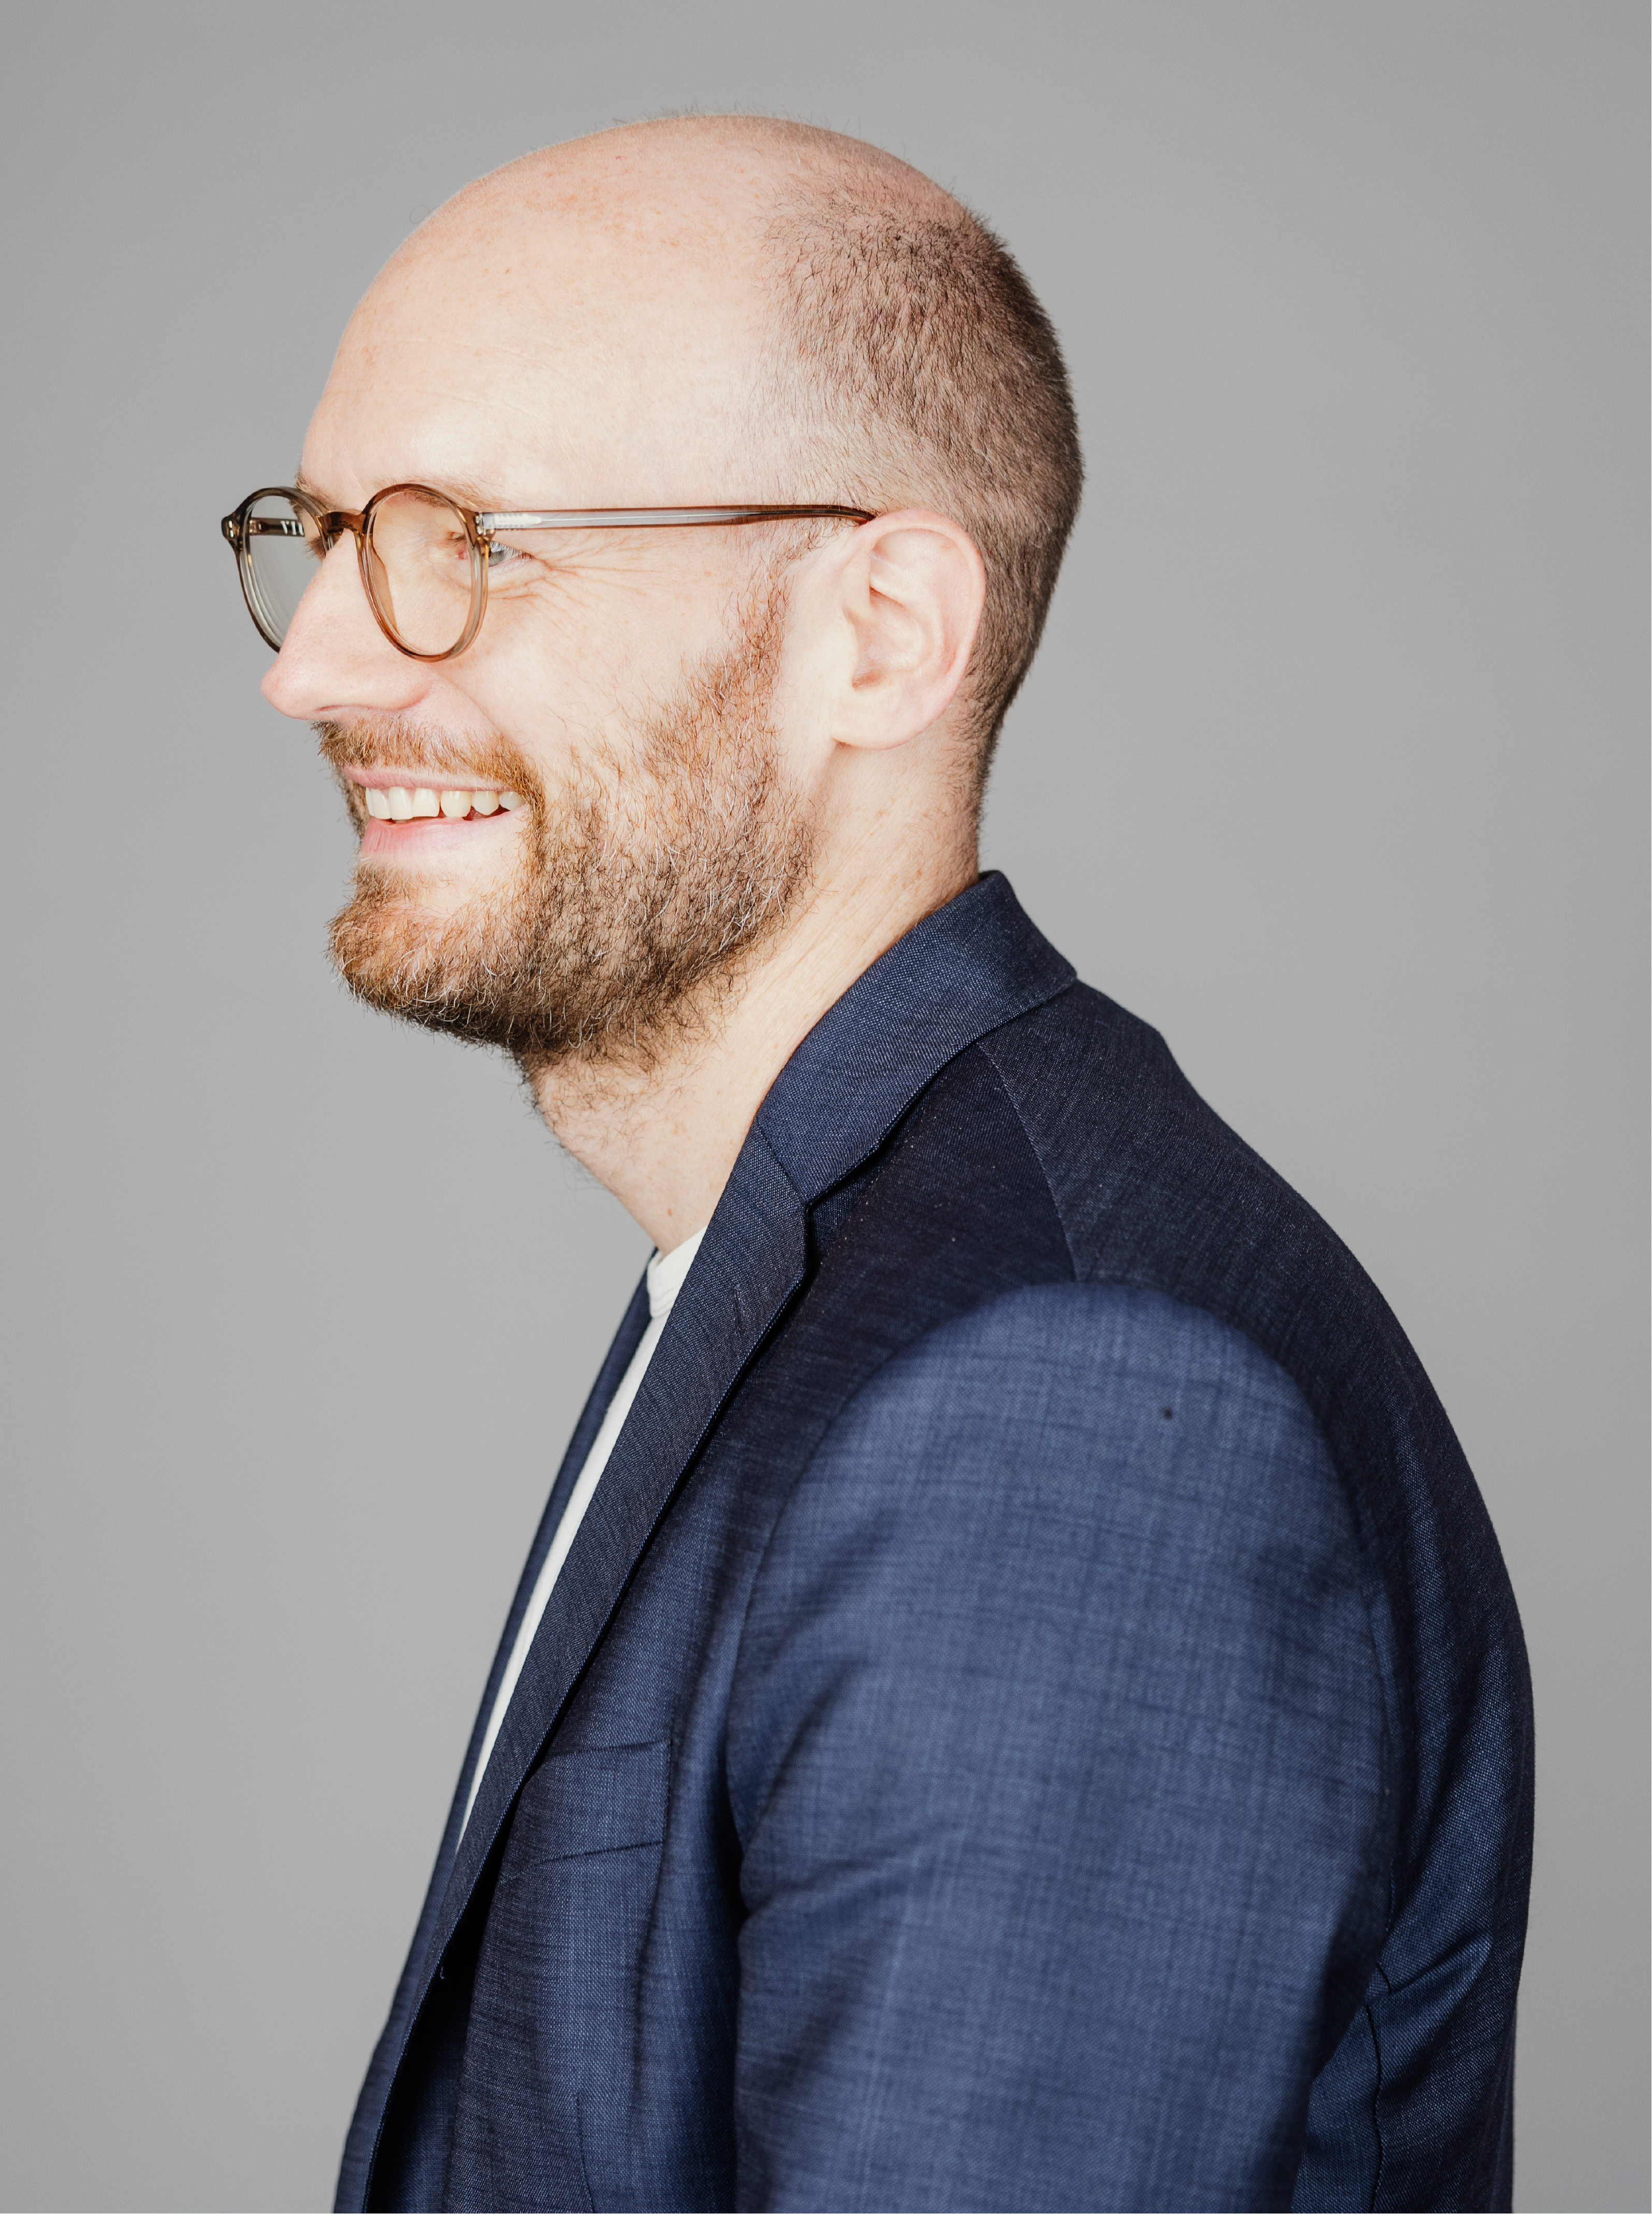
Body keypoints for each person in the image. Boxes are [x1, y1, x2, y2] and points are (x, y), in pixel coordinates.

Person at [223, 115, 1532, 2214]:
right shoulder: (820, 1280)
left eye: (461, 536)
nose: (314, 664)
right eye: (322, 530)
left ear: (881, 630)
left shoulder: (1068, 1408)